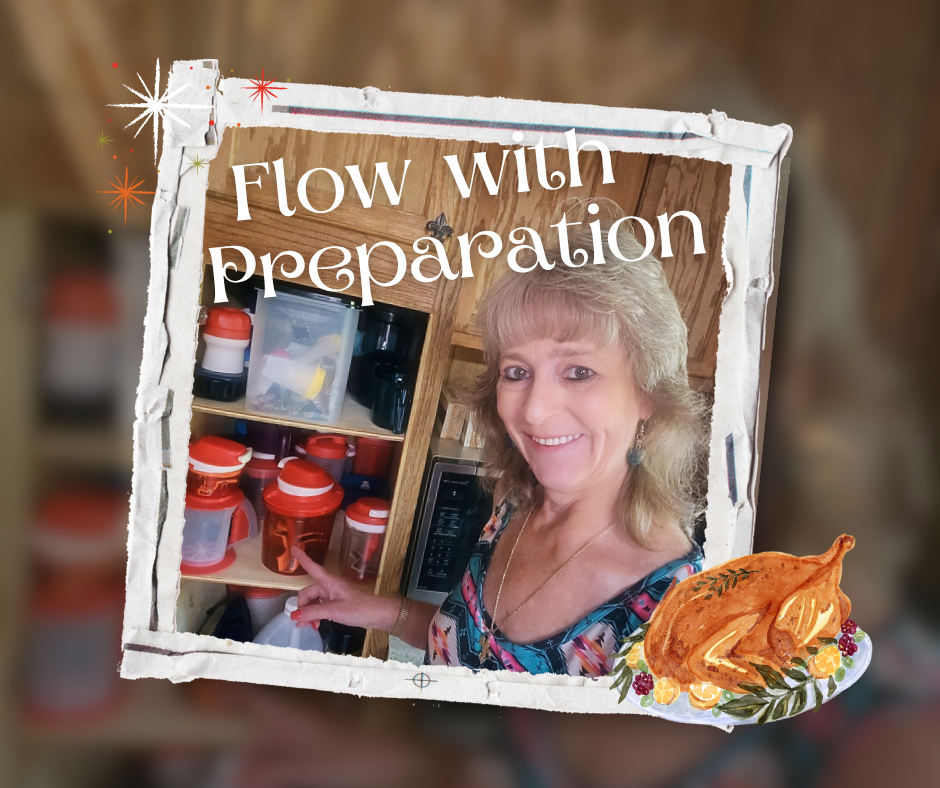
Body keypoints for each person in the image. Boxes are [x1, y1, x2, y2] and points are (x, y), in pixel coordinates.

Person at [290, 209, 706, 677]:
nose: (533, 410)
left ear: (648, 394)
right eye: (517, 372)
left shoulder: (679, 616)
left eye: (579, 372)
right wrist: (377, 610)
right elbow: (470, 644)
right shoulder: (514, 503)